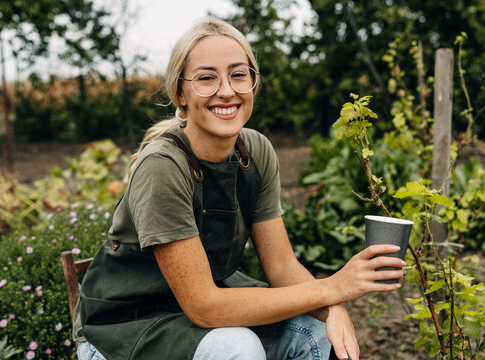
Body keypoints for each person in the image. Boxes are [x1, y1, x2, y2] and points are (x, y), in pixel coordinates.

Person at [73, 17, 406, 360]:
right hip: (128, 327)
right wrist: (331, 287)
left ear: (253, 83)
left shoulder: (255, 152)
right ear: (180, 92)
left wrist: (332, 305)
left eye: (237, 74)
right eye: (206, 78)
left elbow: (280, 267)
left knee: (321, 336)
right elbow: (205, 308)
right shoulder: (163, 167)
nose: (227, 90)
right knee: (238, 348)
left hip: (206, 310)